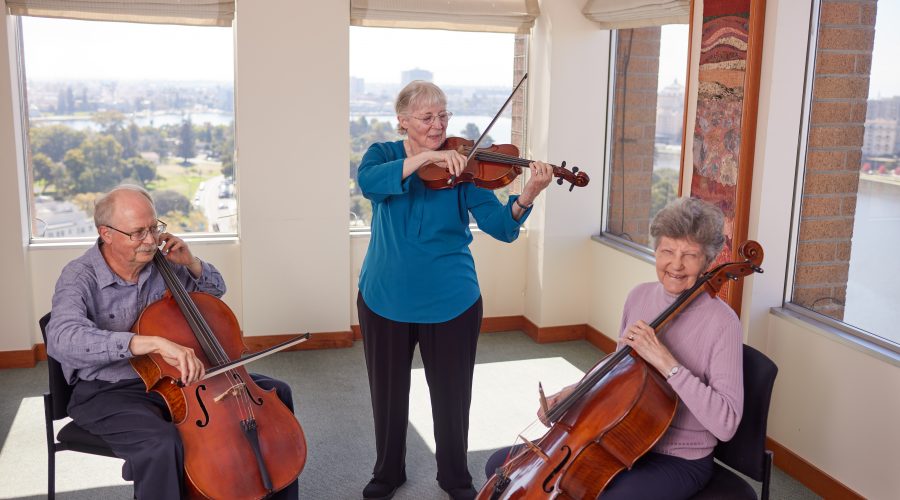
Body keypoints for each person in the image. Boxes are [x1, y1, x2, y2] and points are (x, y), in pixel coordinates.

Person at [356, 80, 553, 500]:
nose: (437, 124)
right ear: (403, 121)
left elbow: (501, 228)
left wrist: (528, 194)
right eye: (427, 117)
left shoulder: (464, 168)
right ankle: (387, 473)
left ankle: (455, 477)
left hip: (452, 301)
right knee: (388, 395)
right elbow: (370, 183)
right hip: (385, 298)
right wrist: (427, 156)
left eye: (443, 115)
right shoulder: (384, 155)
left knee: (451, 395)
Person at [46, 185, 299, 499]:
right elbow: (62, 338)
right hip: (110, 389)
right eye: (138, 233)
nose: (151, 241)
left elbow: (213, 293)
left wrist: (191, 262)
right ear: (106, 234)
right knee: (161, 443)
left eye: (154, 228)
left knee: (276, 396)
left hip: (181, 380)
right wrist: (148, 343)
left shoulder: (162, 264)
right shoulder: (79, 276)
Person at [483, 197, 744, 499]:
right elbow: (620, 374)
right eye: (667, 251)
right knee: (502, 468)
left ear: (708, 261)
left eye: (690, 255)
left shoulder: (723, 323)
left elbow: (726, 424)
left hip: (679, 458)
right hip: (615, 439)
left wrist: (666, 362)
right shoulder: (639, 297)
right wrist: (572, 393)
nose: (676, 264)